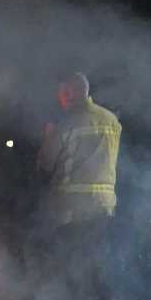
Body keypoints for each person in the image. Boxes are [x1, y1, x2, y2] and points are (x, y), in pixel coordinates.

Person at [35, 72, 122, 227]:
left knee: (69, 251)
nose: (59, 99)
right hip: (105, 207)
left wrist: (49, 138)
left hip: (72, 210)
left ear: (70, 93)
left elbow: (45, 165)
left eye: (61, 94)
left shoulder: (66, 124)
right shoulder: (111, 120)